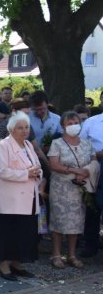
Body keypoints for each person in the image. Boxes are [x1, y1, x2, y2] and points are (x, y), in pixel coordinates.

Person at [0, 112, 42, 281]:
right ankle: (3, 265)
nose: (24, 130)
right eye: (20, 128)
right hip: (10, 198)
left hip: (29, 197)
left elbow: (38, 166)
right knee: (7, 232)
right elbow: (2, 171)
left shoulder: (28, 145)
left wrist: (37, 173)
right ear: (11, 129)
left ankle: (17, 263)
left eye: (26, 127)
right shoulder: (4, 145)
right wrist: (26, 174)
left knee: (24, 232)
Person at [47, 112, 98, 268]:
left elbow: (94, 161)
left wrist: (86, 172)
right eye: (69, 123)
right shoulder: (57, 143)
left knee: (76, 222)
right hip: (61, 188)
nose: (73, 125)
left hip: (79, 189)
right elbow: (54, 165)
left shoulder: (87, 143)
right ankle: (56, 254)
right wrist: (75, 171)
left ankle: (71, 255)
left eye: (76, 122)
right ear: (63, 126)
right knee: (59, 221)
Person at [80, 108, 103, 258]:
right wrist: (97, 155)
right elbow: (81, 147)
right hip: (95, 168)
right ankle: (90, 245)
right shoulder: (91, 122)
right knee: (93, 208)